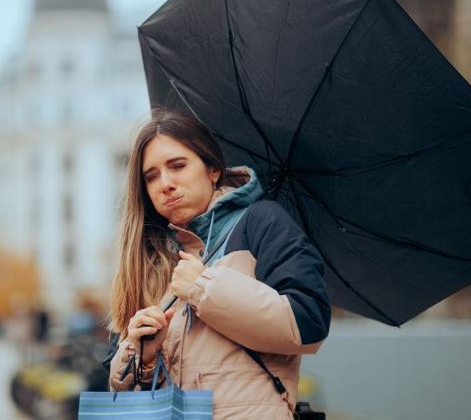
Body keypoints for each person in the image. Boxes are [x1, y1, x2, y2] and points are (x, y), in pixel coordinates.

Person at [104, 109, 331, 418]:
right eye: (151, 176)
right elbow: (126, 397)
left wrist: (203, 287)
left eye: (178, 165)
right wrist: (139, 353)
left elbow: (308, 324)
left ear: (212, 169)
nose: (165, 183)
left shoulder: (261, 222)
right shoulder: (150, 256)